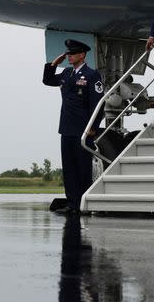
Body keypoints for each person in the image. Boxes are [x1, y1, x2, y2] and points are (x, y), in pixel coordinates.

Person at [43, 39, 104, 215]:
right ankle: (72, 203)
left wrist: (93, 127)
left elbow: (97, 103)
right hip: (66, 128)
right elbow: (47, 80)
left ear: (82, 55)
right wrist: (54, 63)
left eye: (72, 53)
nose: (69, 56)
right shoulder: (67, 73)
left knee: (83, 168)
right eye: (68, 54)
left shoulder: (92, 75)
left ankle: (83, 203)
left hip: (83, 128)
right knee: (69, 168)